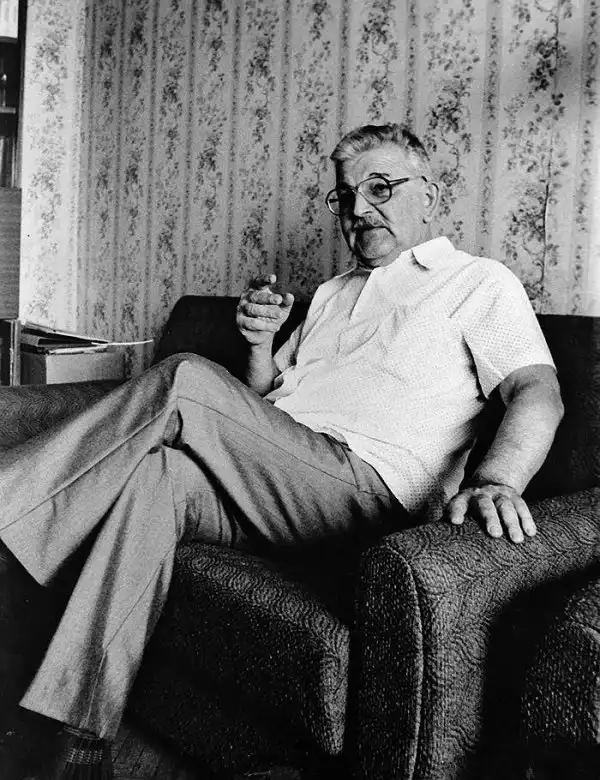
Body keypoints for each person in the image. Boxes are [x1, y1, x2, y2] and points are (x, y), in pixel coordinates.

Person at [0, 123, 563, 779]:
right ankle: (79, 744)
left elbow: (536, 391)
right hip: (287, 477)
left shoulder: (477, 282)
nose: (358, 208)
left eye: (381, 188)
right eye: (345, 195)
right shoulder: (332, 294)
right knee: (159, 477)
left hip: (370, 491)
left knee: (185, 378)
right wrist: (261, 346)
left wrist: (498, 479)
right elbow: (267, 403)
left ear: (430, 196)